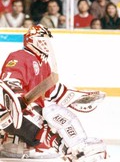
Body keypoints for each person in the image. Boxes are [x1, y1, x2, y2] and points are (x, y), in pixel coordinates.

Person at [0, 24, 107, 161]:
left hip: (28, 114)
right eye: (44, 39)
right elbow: (10, 82)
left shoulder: (43, 63)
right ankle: (76, 149)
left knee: (53, 111)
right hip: (17, 114)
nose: (47, 44)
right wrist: (20, 101)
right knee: (51, 112)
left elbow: (51, 91)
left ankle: (76, 146)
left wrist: (76, 96)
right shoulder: (20, 56)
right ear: (33, 40)